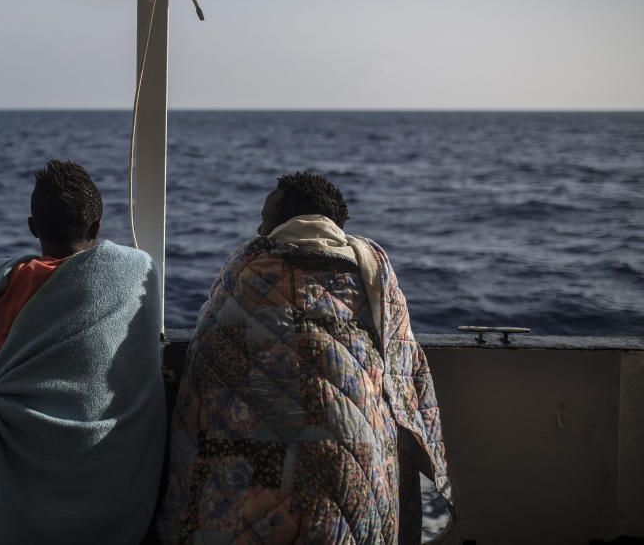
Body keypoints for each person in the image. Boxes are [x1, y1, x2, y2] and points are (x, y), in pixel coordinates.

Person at [157, 172, 453, 544]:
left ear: (287, 220)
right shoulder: (374, 272)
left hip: (255, 470)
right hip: (357, 459)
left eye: (266, 218)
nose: (260, 227)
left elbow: (208, 352)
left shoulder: (248, 267)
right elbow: (406, 366)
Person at [0, 160, 166, 545]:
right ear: (96, 227)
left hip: (8, 448)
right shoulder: (135, 269)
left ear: (32, 227)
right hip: (101, 465)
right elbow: (140, 366)